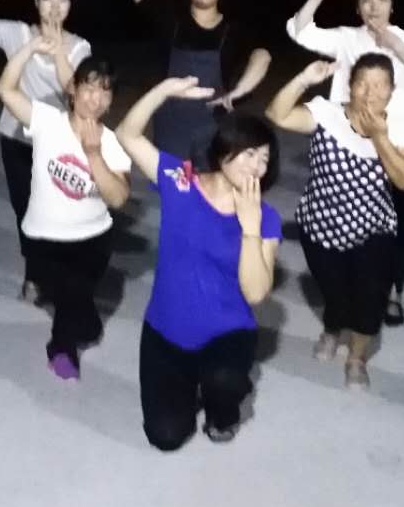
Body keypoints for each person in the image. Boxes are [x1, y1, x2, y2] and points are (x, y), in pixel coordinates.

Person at [116, 77, 281, 450]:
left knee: (224, 381)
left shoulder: (265, 217)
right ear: (225, 150)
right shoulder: (182, 181)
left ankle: (224, 410)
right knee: (165, 436)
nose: (257, 166)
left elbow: (256, 294)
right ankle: (190, 383)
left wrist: (250, 228)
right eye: (249, 153)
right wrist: (163, 92)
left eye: (264, 159)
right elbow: (127, 134)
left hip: (226, 334)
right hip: (166, 330)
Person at [286, 0, 404, 326]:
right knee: (351, 213)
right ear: (358, 8)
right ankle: (348, 286)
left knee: (398, 218)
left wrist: (396, 45)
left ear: (392, 6)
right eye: (366, 0)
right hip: (350, 139)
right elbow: (299, 31)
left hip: (395, 139)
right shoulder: (346, 39)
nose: (375, 7)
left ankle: (393, 291)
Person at [266, 55, 404, 389]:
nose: (370, 92)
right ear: (350, 86)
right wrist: (303, 79)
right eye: (362, 83)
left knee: (370, 300)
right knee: (334, 293)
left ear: (391, 90)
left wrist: (379, 137)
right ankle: (332, 328)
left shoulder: (397, 127)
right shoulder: (327, 114)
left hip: (372, 229)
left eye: (380, 85)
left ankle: (357, 358)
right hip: (320, 226)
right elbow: (277, 114)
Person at [0, 36, 132, 379]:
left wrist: (93, 154)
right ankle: (70, 338)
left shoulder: (112, 144)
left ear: (111, 101)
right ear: (72, 90)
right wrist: (29, 49)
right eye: (89, 88)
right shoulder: (47, 120)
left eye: (104, 92)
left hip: (92, 241)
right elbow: (5, 89)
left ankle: (69, 338)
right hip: (43, 238)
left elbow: (117, 198)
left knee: (75, 296)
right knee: (72, 300)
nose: (95, 98)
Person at [0, 0, 92, 303]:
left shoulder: (80, 47)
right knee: (25, 210)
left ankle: (59, 275)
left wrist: (57, 48)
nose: (55, 6)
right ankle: (34, 275)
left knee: (56, 211)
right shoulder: (18, 34)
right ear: (37, 2)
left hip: (56, 144)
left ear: (70, 6)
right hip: (15, 138)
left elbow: (73, 90)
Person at [124, 0, 271, 165]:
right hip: (170, 127)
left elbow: (262, 57)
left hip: (214, 127)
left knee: (211, 185)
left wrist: (239, 91)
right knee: (172, 184)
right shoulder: (172, 20)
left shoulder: (233, 30)